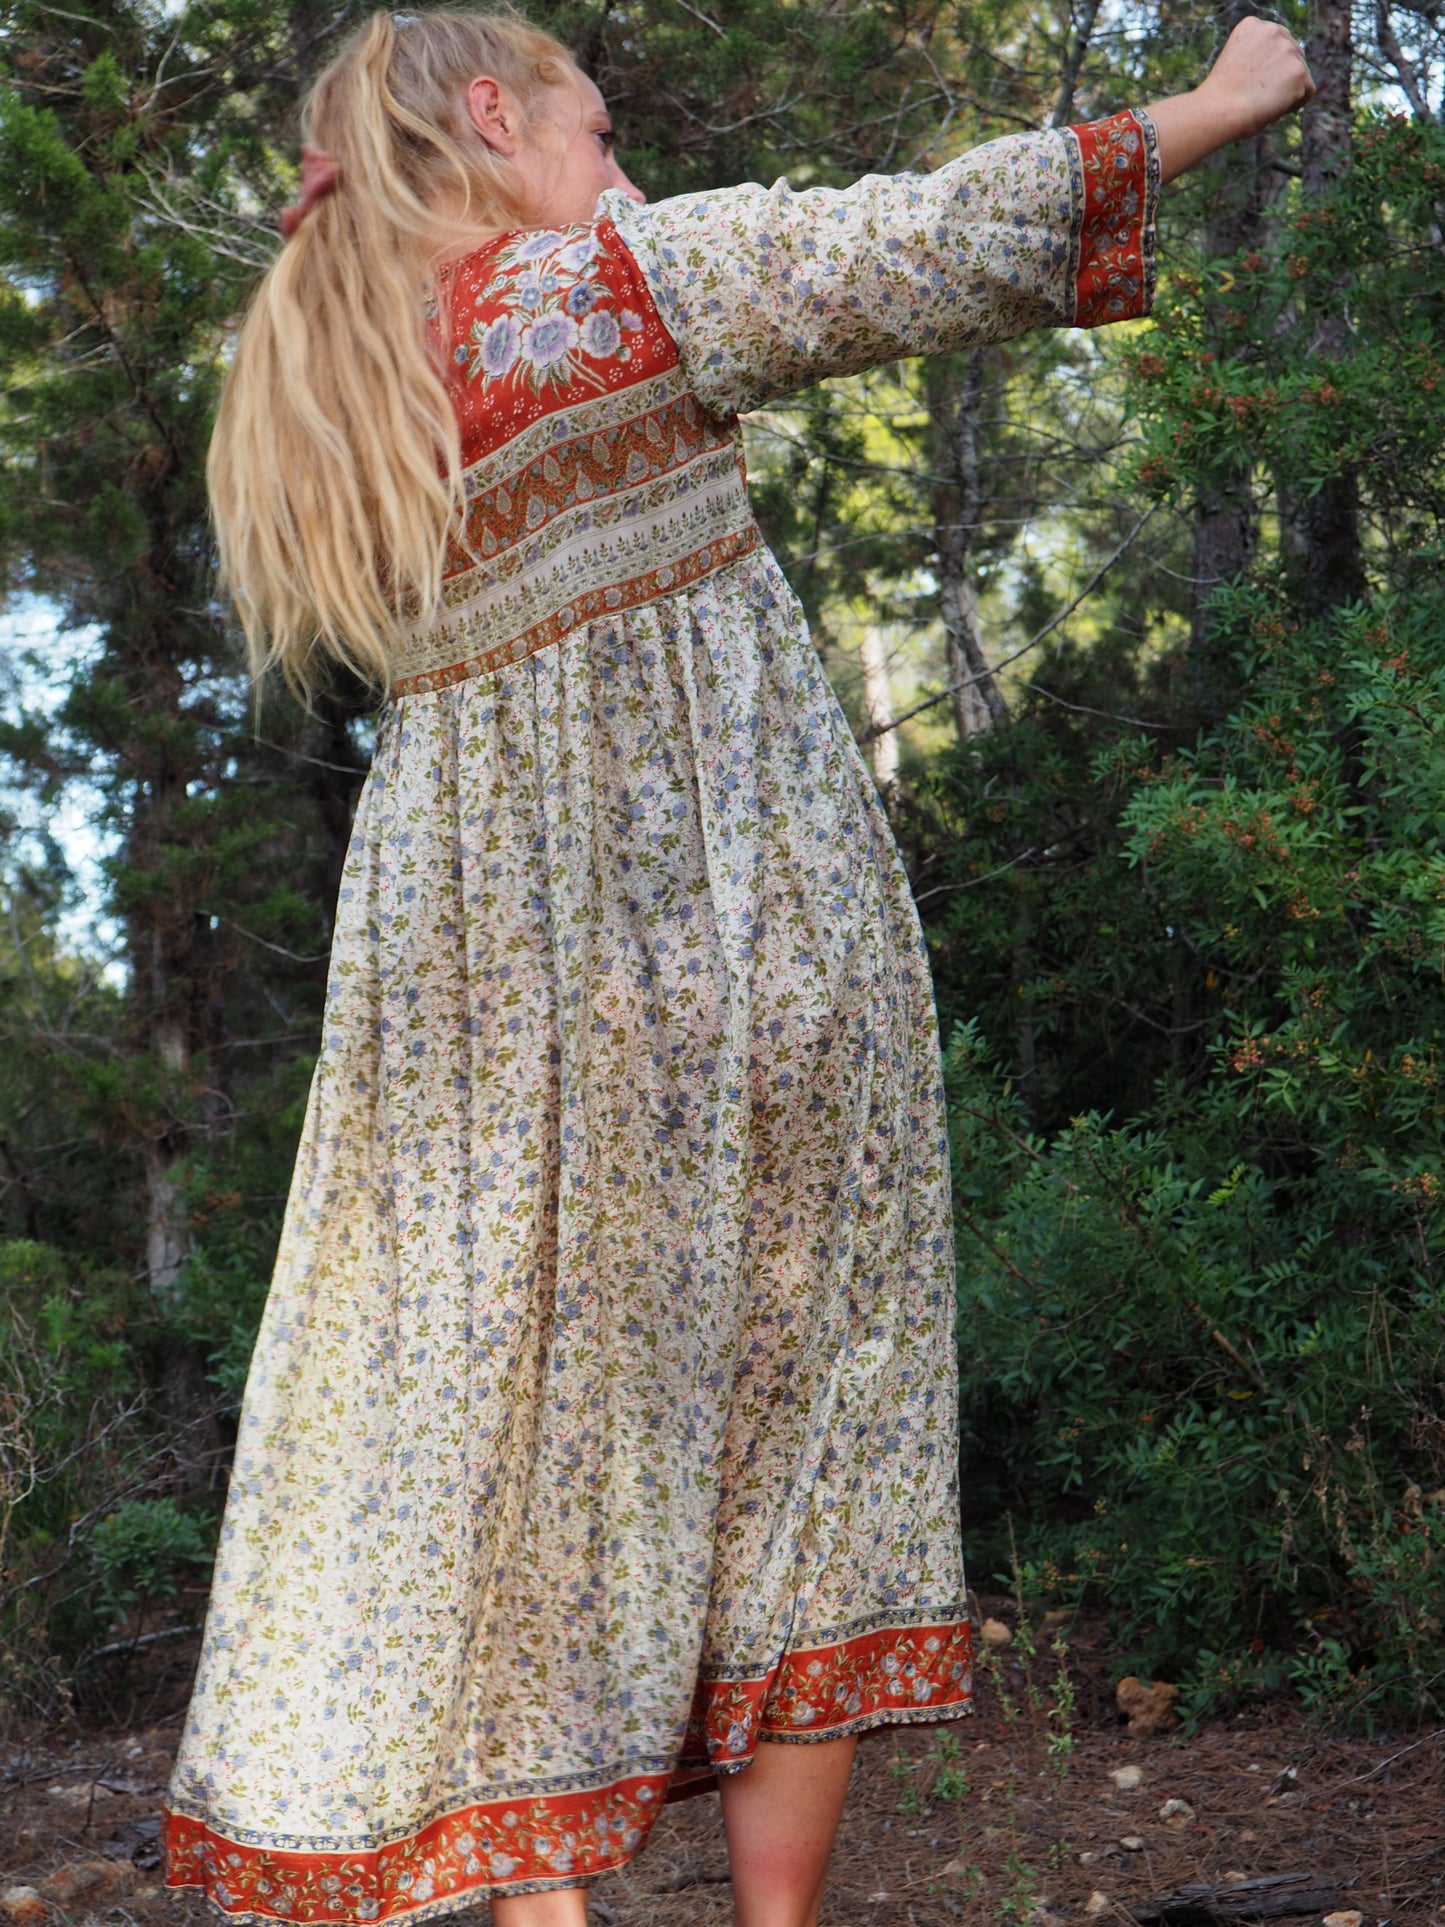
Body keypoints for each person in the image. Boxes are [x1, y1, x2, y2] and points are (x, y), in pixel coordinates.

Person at [161, 11, 1312, 1926]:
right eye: (597, 127)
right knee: (811, 1421)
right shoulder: (605, 279)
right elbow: (913, 240)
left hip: (468, 999)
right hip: (745, 939)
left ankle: (545, 1916)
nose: (617, 164)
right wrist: (1208, 106)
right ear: (493, 113)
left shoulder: (322, 376)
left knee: (511, 1456)